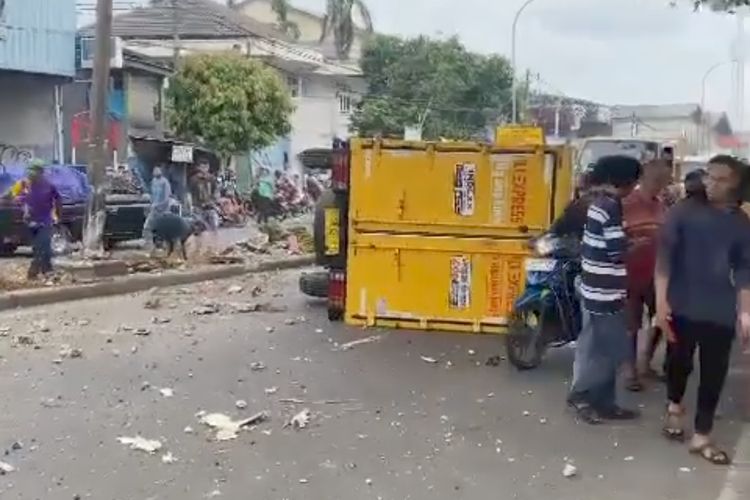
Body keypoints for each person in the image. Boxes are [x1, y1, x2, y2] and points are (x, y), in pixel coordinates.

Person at [656, 155, 750, 465]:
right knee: (679, 363)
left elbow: (744, 269)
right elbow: (665, 260)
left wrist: (745, 313)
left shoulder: (739, 222)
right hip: (681, 304)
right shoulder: (682, 212)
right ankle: (674, 406)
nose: (712, 183)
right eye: (709, 176)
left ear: (737, 185)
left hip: (719, 310)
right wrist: (660, 302)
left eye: (721, 179)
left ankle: (702, 434)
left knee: (714, 373)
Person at [567, 155, 642, 425]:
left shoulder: (595, 202)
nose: (635, 187)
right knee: (608, 351)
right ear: (624, 181)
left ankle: (602, 402)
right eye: (634, 182)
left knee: (595, 346)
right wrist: (636, 244)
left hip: (592, 286)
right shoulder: (611, 206)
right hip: (605, 290)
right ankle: (587, 398)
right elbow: (615, 252)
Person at [621, 159, 673, 391]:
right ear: (643, 179)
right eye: (656, 181)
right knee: (631, 325)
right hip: (630, 274)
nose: (659, 186)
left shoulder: (662, 205)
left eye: (664, 182)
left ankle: (646, 362)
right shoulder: (626, 204)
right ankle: (630, 370)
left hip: (657, 275)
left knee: (662, 319)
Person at [20, 160, 62, 279]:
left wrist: (58, 216)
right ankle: (47, 270)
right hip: (30, 222)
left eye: (34, 172)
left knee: (43, 247)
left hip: (44, 221)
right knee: (39, 248)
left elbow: (59, 201)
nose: (31, 175)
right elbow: (18, 197)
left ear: (40, 172)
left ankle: (33, 272)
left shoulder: (49, 186)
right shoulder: (26, 185)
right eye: (29, 172)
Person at [189, 160, 219, 252]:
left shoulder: (212, 179)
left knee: (213, 228)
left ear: (208, 167)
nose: (204, 169)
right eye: (202, 167)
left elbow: (216, 192)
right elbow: (190, 194)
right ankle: (199, 248)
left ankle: (214, 247)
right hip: (198, 207)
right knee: (198, 229)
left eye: (206, 167)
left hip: (210, 207)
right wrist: (192, 205)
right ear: (198, 167)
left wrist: (214, 202)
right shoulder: (193, 179)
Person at [142, 166, 172, 251]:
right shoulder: (153, 181)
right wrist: (151, 204)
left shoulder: (165, 182)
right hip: (154, 209)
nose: (156, 171)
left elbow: (167, 198)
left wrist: (159, 205)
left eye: (157, 170)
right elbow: (152, 196)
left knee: (163, 230)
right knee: (147, 228)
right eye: (154, 170)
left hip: (163, 210)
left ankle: (165, 247)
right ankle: (150, 247)